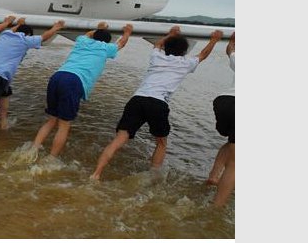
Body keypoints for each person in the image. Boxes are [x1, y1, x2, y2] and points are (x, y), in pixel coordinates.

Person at [90, 27, 224, 181]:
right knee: (161, 143)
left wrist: (171, 34)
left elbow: (157, 45)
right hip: (158, 103)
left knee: (119, 139)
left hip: (137, 99)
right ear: (185, 51)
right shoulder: (186, 63)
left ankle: (96, 173)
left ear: (166, 47)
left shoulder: (157, 57)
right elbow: (203, 55)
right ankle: (153, 177)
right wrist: (215, 39)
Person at [30, 22, 132, 159]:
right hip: (74, 81)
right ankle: (51, 159)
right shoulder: (106, 48)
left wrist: (100, 28)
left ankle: (33, 150)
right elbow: (122, 43)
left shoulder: (82, 41)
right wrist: (128, 31)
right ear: (107, 41)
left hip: (57, 76)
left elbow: (88, 34)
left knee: (51, 120)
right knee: (64, 125)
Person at [0, 18, 66, 145]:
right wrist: (55, 28)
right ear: (28, 35)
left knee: (5, 91)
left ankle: (3, 124)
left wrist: (19, 24)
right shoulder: (25, 40)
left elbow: (14, 29)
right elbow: (43, 37)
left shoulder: (6, 35)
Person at [206, 32, 235, 207]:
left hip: (224, 102)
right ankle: (216, 209)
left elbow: (230, 50)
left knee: (232, 141)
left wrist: (233, 39)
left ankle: (213, 177)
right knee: (236, 163)